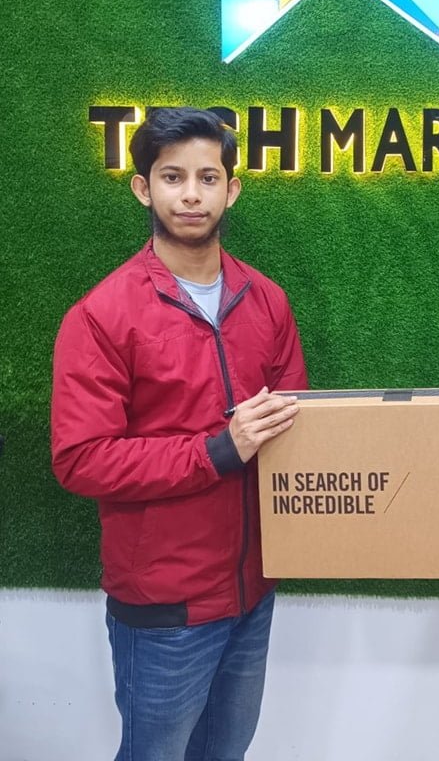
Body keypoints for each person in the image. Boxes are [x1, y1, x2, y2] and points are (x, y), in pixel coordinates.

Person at [52, 107, 307, 761]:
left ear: (232, 189)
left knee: (226, 752)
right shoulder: (101, 315)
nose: (191, 194)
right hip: (165, 607)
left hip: (252, 594)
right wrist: (218, 450)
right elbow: (81, 460)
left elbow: (298, 430)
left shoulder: (267, 300)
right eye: (173, 177)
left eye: (207, 177)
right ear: (144, 188)